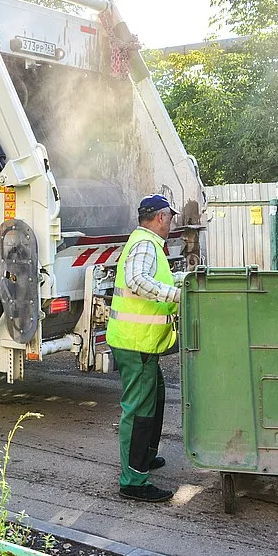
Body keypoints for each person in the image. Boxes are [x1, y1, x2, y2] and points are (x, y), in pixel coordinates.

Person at [106, 193, 182, 503]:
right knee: (139, 410)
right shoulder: (145, 244)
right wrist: (177, 296)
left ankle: (144, 458)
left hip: (141, 341)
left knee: (155, 399)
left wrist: (185, 281)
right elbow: (136, 280)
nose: (171, 222)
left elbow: (154, 279)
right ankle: (134, 481)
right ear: (162, 217)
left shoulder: (148, 243)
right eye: (170, 217)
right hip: (135, 342)